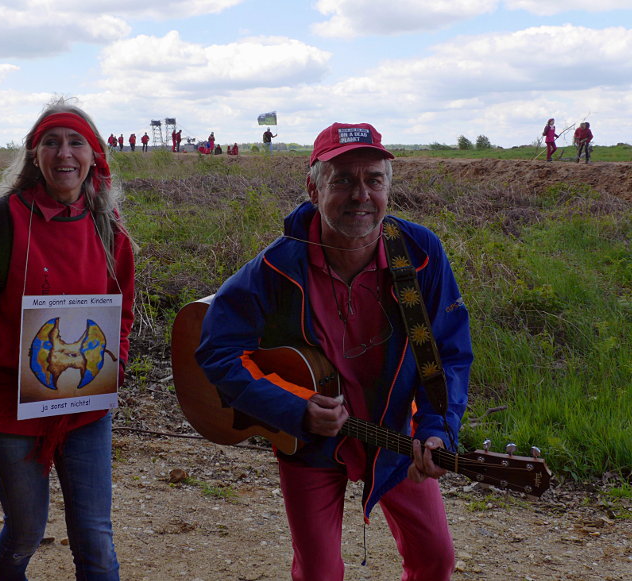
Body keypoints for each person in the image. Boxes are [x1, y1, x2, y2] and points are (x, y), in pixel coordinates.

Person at [195, 122, 472, 580]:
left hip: (395, 436)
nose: (360, 195)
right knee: (319, 572)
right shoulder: (277, 265)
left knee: (436, 559)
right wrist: (292, 408)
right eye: (342, 179)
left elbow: (448, 350)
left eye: (373, 180)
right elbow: (217, 349)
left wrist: (438, 427)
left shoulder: (420, 254)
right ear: (313, 187)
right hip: (310, 441)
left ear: (389, 187)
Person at [0, 97, 136, 580]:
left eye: (76, 143)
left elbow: (123, 314)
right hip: (10, 405)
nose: (63, 153)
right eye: (50, 142)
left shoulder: (110, 232)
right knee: (26, 529)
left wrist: (113, 368)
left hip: (86, 406)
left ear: (95, 156)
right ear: (34, 154)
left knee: (94, 534)